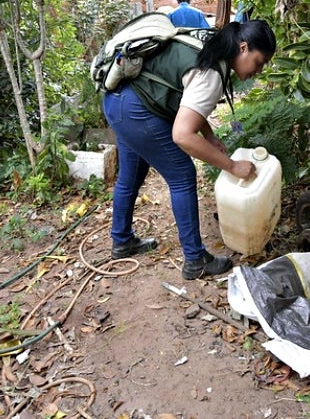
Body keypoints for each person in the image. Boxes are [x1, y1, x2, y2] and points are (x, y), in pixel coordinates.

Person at [103, 20, 277, 279]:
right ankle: (196, 261)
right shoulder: (213, 72)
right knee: (182, 175)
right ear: (243, 48)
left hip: (118, 100)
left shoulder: (212, 46)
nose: (259, 70)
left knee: (133, 173)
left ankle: (122, 240)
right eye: (259, 61)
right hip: (137, 109)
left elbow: (185, 95)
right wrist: (231, 166)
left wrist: (208, 134)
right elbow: (182, 135)